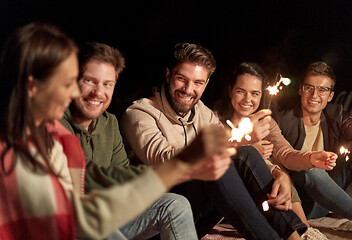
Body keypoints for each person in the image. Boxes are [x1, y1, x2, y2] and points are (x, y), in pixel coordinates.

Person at [0, 22, 234, 240]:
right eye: (71, 81)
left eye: (108, 84)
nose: (74, 93)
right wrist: (181, 165)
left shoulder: (64, 135)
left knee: (173, 203)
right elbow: (81, 219)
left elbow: (103, 176)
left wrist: (183, 167)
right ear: (32, 84)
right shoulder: (26, 144)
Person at [121, 42, 308, 239]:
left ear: (206, 83)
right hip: (158, 220)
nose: (188, 89)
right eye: (181, 79)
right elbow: (163, 160)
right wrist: (239, 136)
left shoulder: (203, 112)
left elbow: (243, 155)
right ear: (168, 76)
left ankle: (293, 237)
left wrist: (278, 174)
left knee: (244, 154)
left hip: (195, 215)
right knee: (226, 158)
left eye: (198, 83)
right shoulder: (140, 113)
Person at [59, 41, 233, 240]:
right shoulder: (55, 122)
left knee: (175, 204)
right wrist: (187, 163)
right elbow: (80, 181)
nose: (98, 92)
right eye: (89, 81)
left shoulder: (109, 123)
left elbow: (124, 177)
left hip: (110, 215)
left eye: (107, 84)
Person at [214, 62, 332, 239]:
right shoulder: (214, 119)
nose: (248, 100)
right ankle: (299, 230)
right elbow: (213, 158)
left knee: (280, 172)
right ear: (230, 90)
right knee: (261, 162)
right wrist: (248, 144)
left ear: (261, 95)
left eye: (255, 93)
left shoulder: (266, 122)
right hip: (226, 197)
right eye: (241, 91)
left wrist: (311, 158)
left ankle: (303, 230)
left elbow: (285, 153)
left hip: (265, 197)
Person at [273, 61, 352, 225]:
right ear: (300, 89)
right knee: (311, 169)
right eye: (309, 88)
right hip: (301, 199)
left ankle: (337, 204)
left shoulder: (336, 113)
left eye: (322, 90)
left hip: (331, 188)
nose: (314, 95)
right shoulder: (284, 120)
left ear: (330, 96)